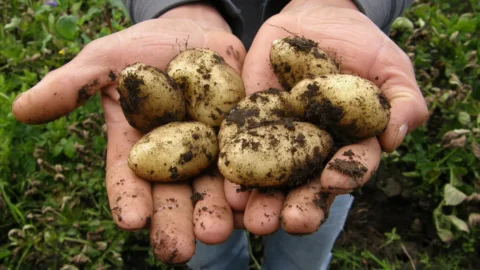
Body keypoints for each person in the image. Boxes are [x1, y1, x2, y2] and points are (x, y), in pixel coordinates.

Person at [12, 0, 428, 269]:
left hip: (321, 140)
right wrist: (178, 9)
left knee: (312, 223)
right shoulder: (210, 121)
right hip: (210, 109)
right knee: (207, 237)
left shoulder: (303, 105)